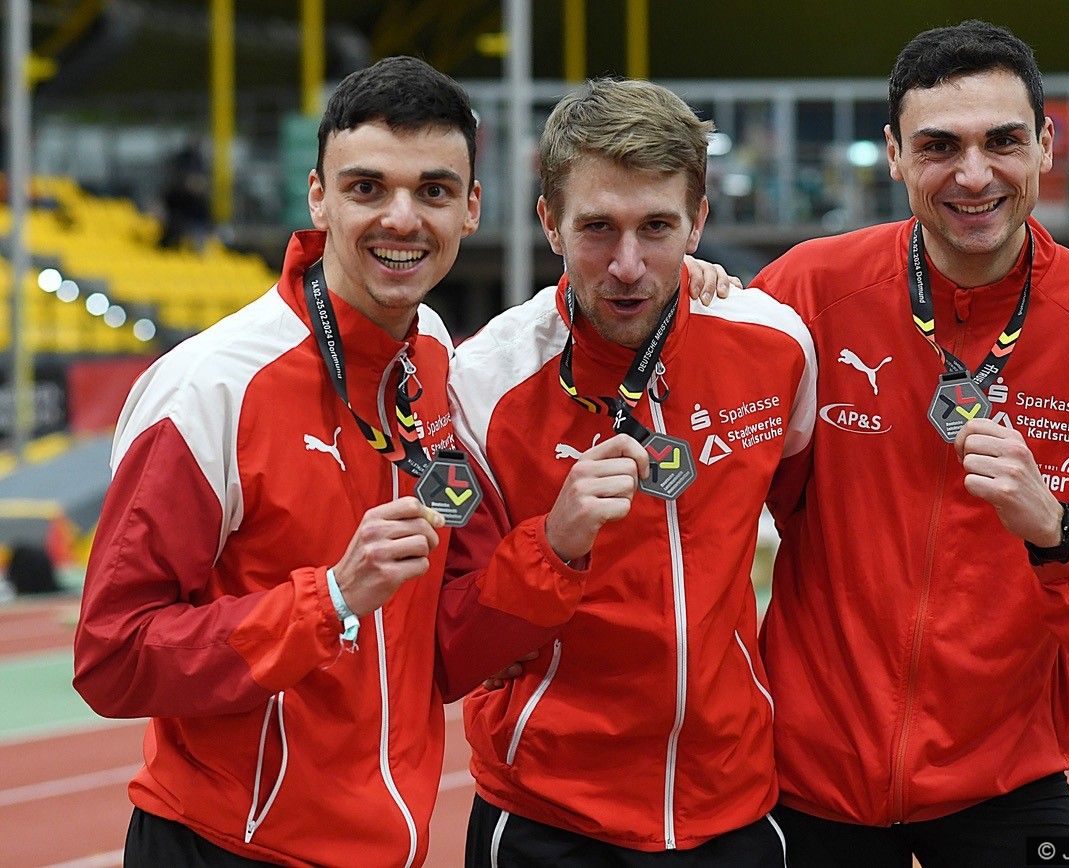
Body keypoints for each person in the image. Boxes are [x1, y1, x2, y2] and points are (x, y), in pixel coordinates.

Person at [73, 56, 646, 867]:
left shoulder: (432, 356)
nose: (401, 219)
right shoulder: (212, 388)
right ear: (319, 197)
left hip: (389, 847)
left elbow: (445, 648)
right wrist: (331, 599)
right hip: (230, 849)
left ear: (472, 208)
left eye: (434, 191)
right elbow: (112, 656)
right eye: (368, 187)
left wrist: (555, 548)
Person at [746, 20, 1069, 867]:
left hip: (1003, 779)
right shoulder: (806, 291)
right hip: (806, 776)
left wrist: (1053, 530)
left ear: (1046, 145)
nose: (975, 175)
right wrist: (696, 296)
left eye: (1003, 142)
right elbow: (704, 462)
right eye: (940, 146)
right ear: (894, 154)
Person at [448, 78, 816, 865]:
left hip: (734, 805)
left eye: (656, 227)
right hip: (549, 818)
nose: (626, 265)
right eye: (597, 228)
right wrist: (555, 542)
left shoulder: (775, 344)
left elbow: (815, 527)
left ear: (698, 222)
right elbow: (453, 637)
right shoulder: (481, 385)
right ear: (548, 222)